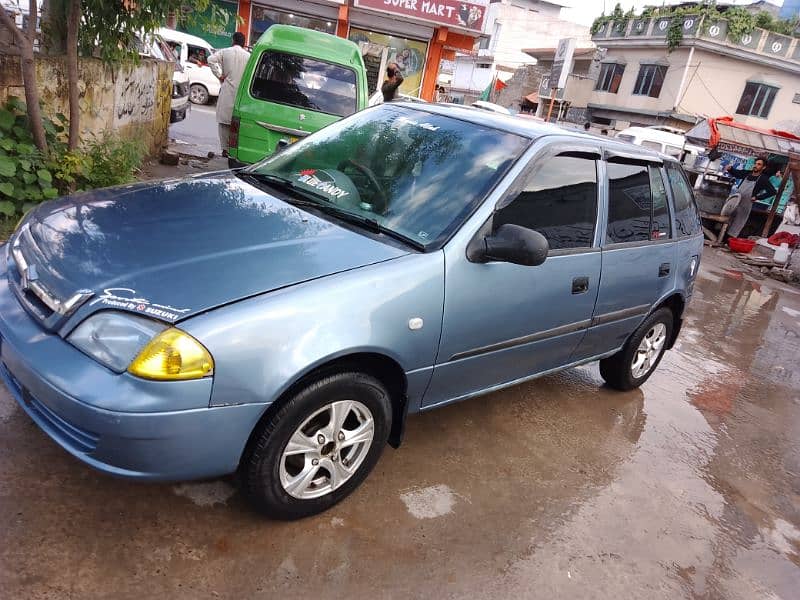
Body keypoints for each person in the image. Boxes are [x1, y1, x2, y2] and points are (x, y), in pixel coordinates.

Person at [207, 32, 250, 156]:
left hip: (227, 89)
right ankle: (233, 149)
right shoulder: (248, 56)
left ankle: (225, 149)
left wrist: (219, 75)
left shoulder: (225, 52)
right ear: (244, 43)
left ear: (233, 40)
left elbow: (210, 59)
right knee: (236, 122)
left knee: (223, 120)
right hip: (242, 92)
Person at [724, 156, 777, 239]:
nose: (755, 166)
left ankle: (728, 241)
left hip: (745, 205)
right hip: (735, 202)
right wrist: (730, 169)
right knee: (727, 220)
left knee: (737, 223)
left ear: (763, 167)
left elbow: (772, 191)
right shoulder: (747, 173)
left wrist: (757, 197)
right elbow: (737, 173)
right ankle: (721, 238)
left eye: (759, 164)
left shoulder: (763, 179)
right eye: (755, 164)